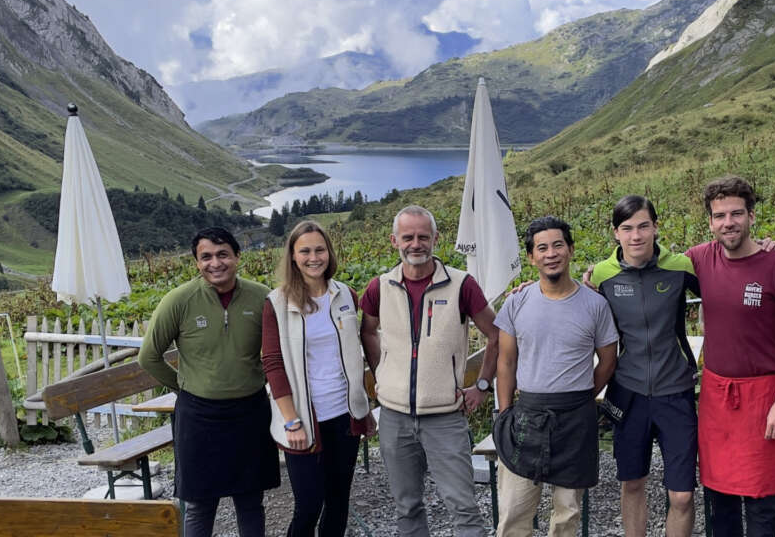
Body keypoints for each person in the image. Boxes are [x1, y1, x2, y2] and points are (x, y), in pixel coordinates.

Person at [359, 205, 499, 537]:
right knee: (407, 507)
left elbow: (497, 334)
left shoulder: (462, 285)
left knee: (463, 506)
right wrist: (382, 372)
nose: (416, 244)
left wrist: (481, 384)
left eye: (423, 236)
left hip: (445, 416)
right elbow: (366, 330)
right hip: (393, 417)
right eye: (408, 237)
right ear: (395, 240)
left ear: (436, 238)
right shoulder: (379, 287)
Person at [685, 176, 775, 537]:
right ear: (710, 221)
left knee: (761, 499)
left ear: (752, 216)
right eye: (720, 215)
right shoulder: (698, 259)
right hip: (716, 396)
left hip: (763, 395)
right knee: (718, 495)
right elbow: (642, 260)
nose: (729, 222)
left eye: (736, 213)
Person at [139, 227, 278, 537]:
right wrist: (185, 385)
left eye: (223, 254)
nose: (215, 263)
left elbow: (278, 350)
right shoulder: (179, 300)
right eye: (206, 257)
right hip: (198, 416)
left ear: (237, 257)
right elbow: (148, 356)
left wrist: (263, 376)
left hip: (250, 411)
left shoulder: (262, 296)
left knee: (250, 499)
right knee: (201, 503)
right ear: (197, 263)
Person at [493, 215, 618, 537]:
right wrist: (505, 412)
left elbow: (607, 360)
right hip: (526, 415)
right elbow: (505, 363)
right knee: (513, 512)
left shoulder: (595, 305)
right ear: (532, 257)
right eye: (542, 248)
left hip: (576, 418)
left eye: (558, 245)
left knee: (567, 513)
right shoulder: (517, 302)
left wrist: (582, 397)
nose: (551, 253)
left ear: (571, 250)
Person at [589, 195, 700, 537]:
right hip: (628, 394)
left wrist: (764, 248)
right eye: (627, 228)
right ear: (615, 233)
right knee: (633, 484)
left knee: (681, 495)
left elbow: (728, 279)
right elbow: (567, 303)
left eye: (643, 226)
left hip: (676, 392)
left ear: (655, 227)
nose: (636, 236)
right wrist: (528, 290)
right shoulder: (602, 276)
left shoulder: (680, 267)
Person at [262, 220, 375, 537]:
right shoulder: (277, 304)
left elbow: (356, 355)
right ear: (293, 257)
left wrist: (363, 410)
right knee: (309, 504)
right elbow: (272, 364)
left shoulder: (345, 295)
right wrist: (290, 421)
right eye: (306, 251)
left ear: (329, 253)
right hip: (303, 420)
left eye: (320, 249)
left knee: (338, 501)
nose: (314, 257)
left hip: (344, 414)